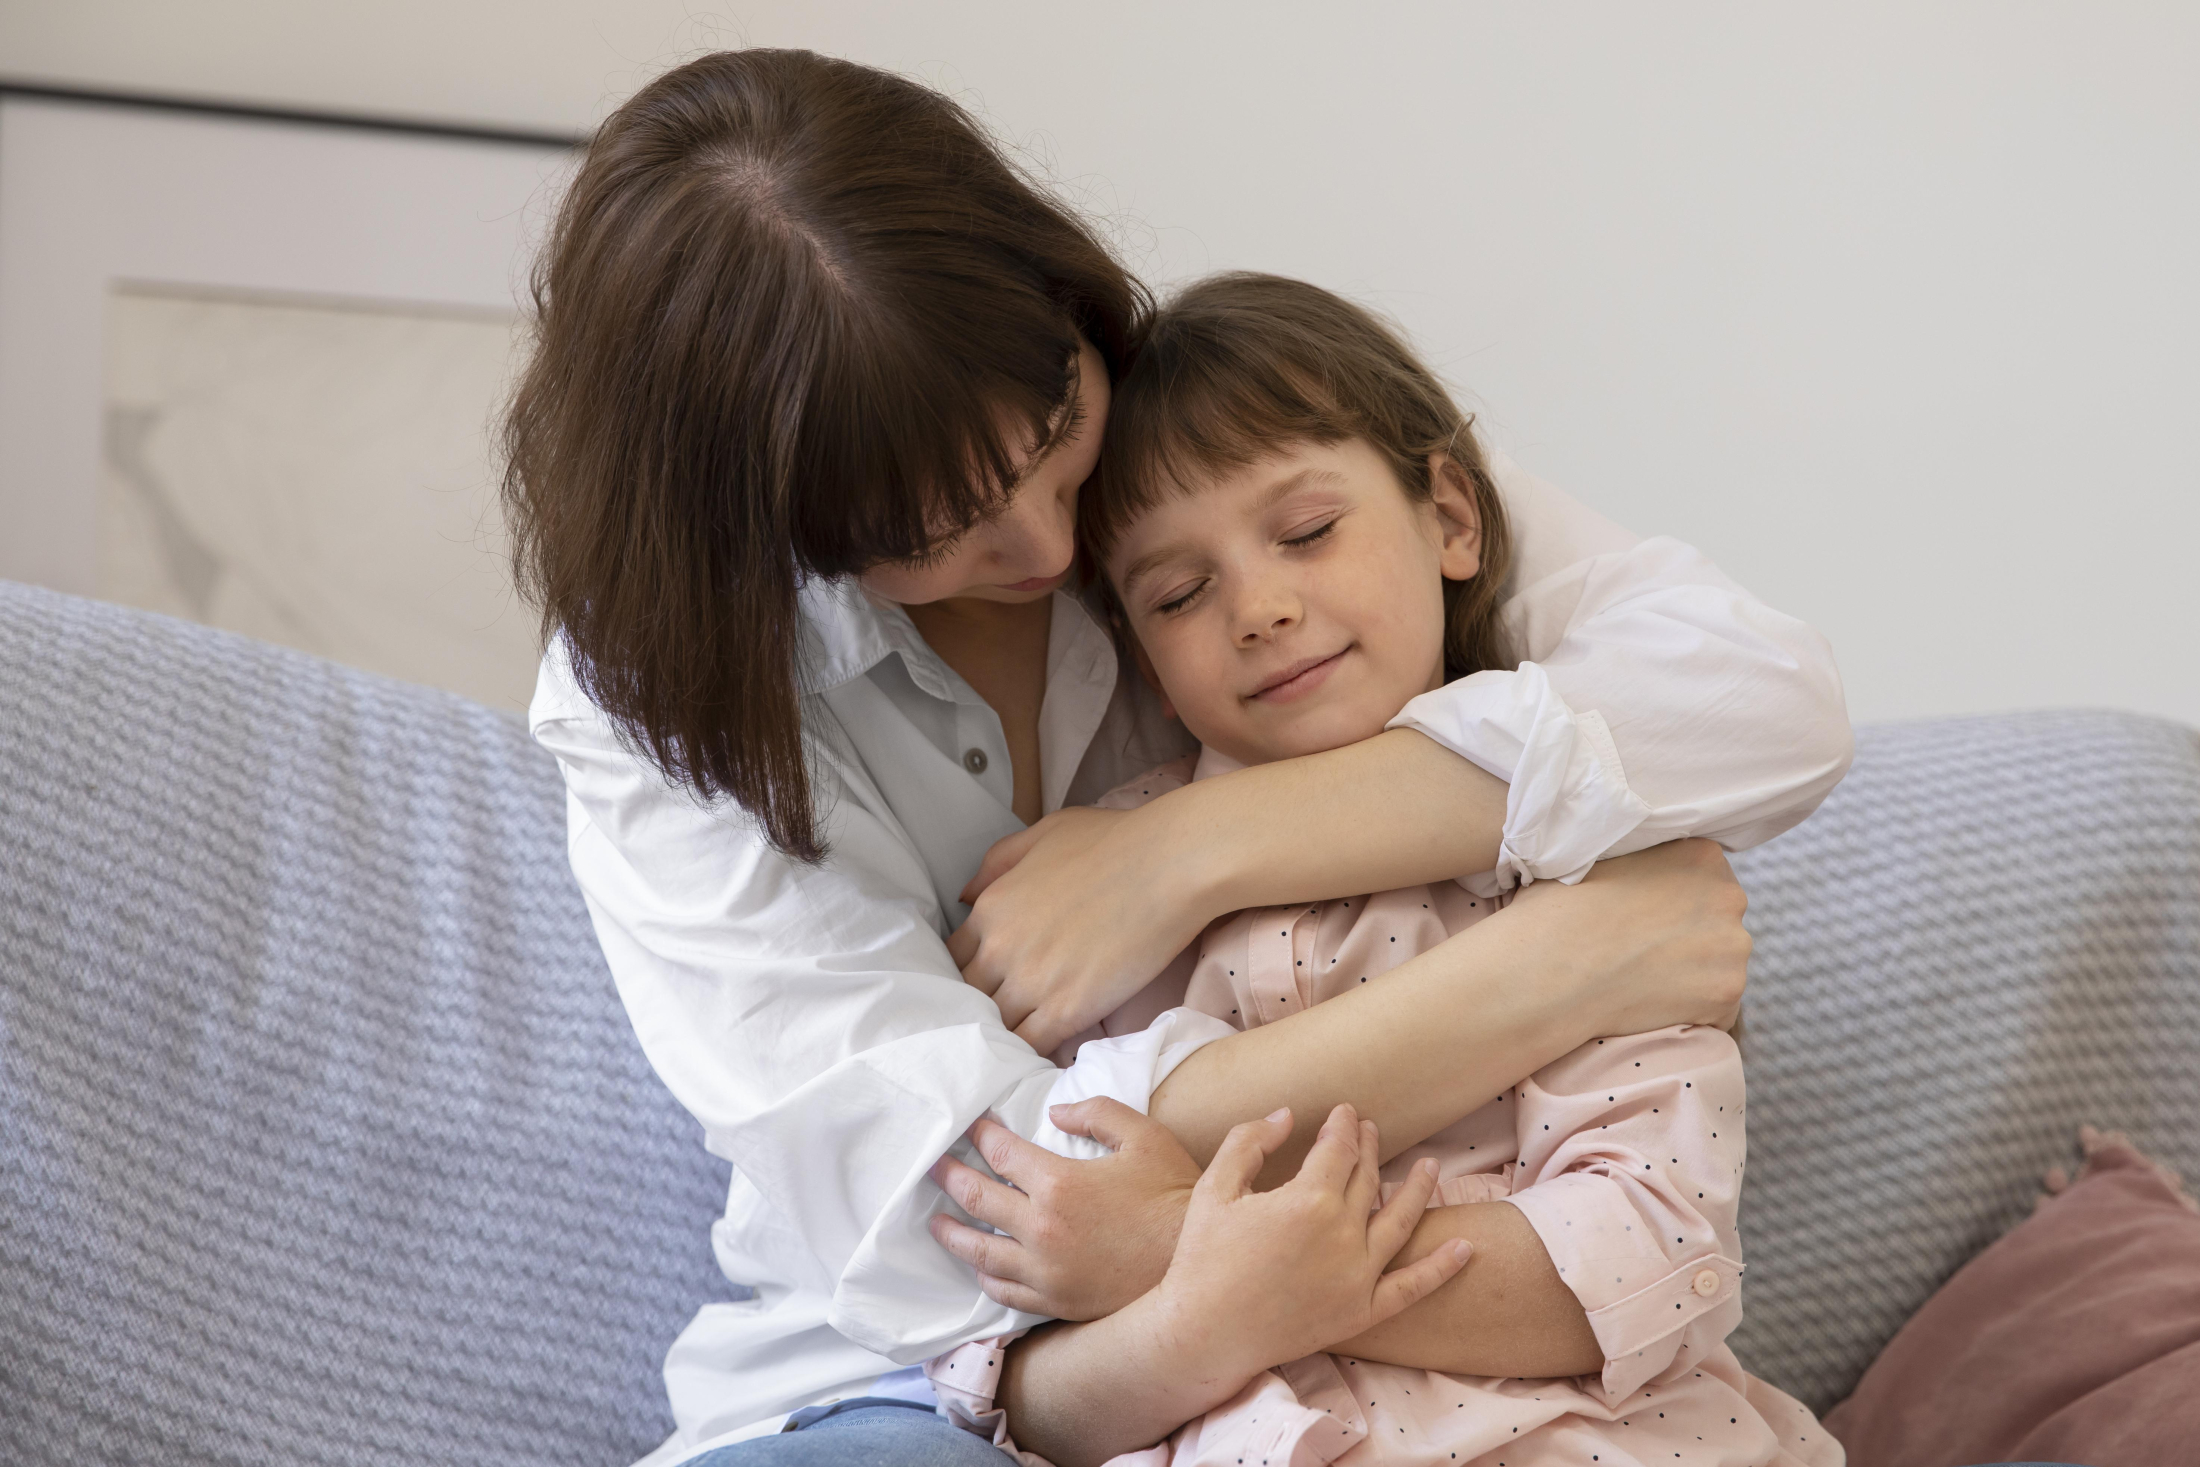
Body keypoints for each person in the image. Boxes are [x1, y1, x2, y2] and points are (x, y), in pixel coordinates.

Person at [501, 49, 1852, 1466]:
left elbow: (1759, 701)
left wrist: (1187, 850)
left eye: (1051, 434)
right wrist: (1551, 972)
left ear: (1064, 296)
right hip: (919, 1381)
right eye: (925, 533)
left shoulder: (1211, 460)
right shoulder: (659, 691)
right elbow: (972, 1211)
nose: (1047, 544)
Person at [921, 272, 1841, 1467]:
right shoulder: (1093, 898)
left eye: (1305, 533)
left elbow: (1643, 1253)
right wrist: (1180, 1295)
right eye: (1178, 594)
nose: (1255, 608)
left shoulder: (1591, 856)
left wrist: (1180, 1251)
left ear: (1452, 519)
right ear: (1140, 662)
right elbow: (1015, 1378)